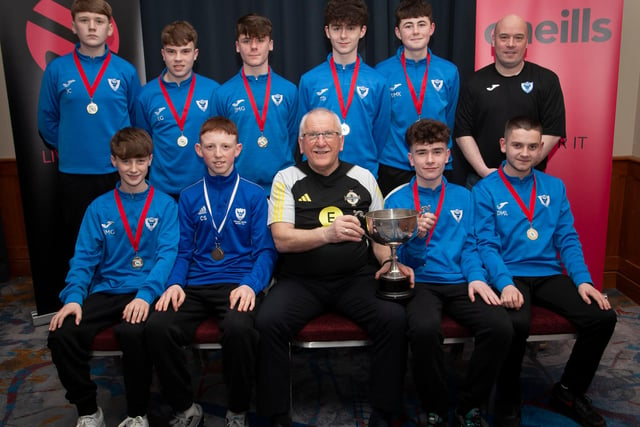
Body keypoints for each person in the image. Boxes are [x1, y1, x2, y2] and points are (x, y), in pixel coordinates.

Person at [256, 108, 409, 427]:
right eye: (312, 135)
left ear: (341, 141)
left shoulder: (365, 178)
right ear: (301, 143)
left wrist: (387, 262)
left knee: (393, 318)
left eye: (328, 135)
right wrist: (327, 234)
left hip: (356, 279)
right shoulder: (286, 178)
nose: (321, 142)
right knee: (268, 321)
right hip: (300, 281)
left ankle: (385, 411)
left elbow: (379, 235)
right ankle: (276, 414)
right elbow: (282, 239)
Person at [471, 116, 617, 427]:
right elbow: (486, 245)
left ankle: (568, 391)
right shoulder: (486, 190)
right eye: (517, 145)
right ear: (504, 146)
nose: (524, 153)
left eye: (532, 147)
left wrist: (583, 281)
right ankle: (507, 395)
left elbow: (567, 237)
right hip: (510, 274)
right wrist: (504, 283)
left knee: (602, 316)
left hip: (548, 273)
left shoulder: (554, 186)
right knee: (515, 322)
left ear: (541, 150)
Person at [144, 117, 278, 427]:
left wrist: (251, 285)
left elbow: (266, 252)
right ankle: (185, 406)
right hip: (194, 283)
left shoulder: (255, 194)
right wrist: (175, 283)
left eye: (225, 147)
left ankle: (237, 408)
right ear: (198, 150)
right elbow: (182, 251)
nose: (218, 154)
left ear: (238, 149)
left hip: (237, 283)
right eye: (210, 147)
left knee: (239, 329)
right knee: (157, 327)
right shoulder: (189, 196)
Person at [47, 127, 179, 427]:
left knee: (133, 333)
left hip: (146, 289)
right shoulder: (98, 208)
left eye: (140, 161)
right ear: (113, 161)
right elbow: (83, 259)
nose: (133, 169)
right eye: (125, 161)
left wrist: (146, 295)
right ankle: (88, 410)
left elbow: (166, 257)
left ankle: (137, 413)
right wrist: (73, 298)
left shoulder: (166, 205)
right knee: (62, 334)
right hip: (106, 290)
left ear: (150, 161)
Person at [384, 119, 511, 427]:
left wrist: (477, 278)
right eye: (422, 152)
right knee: (425, 330)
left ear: (449, 156)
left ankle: (470, 405)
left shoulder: (465, 197)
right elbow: (397, 258)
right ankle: (437, 407)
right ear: (410, 158)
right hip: (421, 282)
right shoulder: (396, 201)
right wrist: (416, 236)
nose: (430, 160)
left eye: (437, 152)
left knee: (500, 327)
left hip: (460, 281)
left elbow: (471, 246)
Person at [37, 0, 141, 302]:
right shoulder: (57, 70)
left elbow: (135, 122)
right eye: (84, 20)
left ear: (110, 28)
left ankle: (124, 296)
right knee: (82, 242)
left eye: (99, 21)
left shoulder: (125, 71)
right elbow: (47, 121)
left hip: (119, 174)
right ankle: (84, 300)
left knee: (123, 239)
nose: (92, 26)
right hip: (75, 174)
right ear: (73, 27)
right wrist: (72, 146)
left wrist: (125, 157)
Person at [454, 14, 565, 188]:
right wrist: (484, 171)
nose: (511, 44)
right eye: (504, 37)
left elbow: (553, 130)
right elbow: (463, 133)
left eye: (518, 38)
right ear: (493, 40)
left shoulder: (547, 80)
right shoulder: (474, 82)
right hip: (482, 181)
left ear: (527, 42)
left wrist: (521, 167)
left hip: (528, 180)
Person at [297, 0, 390, 178]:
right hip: (318, 175)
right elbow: (303, 133)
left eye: (351, 28)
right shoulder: (309, 80)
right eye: (337, 28)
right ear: (327, 31)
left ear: (362, 31)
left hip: (364, 173)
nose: (343, 36)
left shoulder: (378, 81)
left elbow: (380, 133)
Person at [375, 0, 459, 196]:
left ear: (432, 28)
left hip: (436, 163)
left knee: (438, 221)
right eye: (408, 26)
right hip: (394, 164)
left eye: (421, 24)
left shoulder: (448, 71)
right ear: (398, 32)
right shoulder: (382, 72)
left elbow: (451, 119)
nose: (415, 32)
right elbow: (380, 123)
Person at [214, 13, 298, 198]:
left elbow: (292, 138)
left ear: (271, 44)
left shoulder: (289, 90)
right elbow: (218, 142)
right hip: (237, 187)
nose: (253, 47)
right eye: (246, 41)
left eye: (260, 40)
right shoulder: (223, 94)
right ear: (237, 46)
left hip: (282, 186)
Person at [135, 20, 219, 198]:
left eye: (185, 51)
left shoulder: (213, 91)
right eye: (172, 52)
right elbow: (144, 143)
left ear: (195, 54)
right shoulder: (146, 95)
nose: (178, 58)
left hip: (206, 187)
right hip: (162, 190)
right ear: (163, 54)